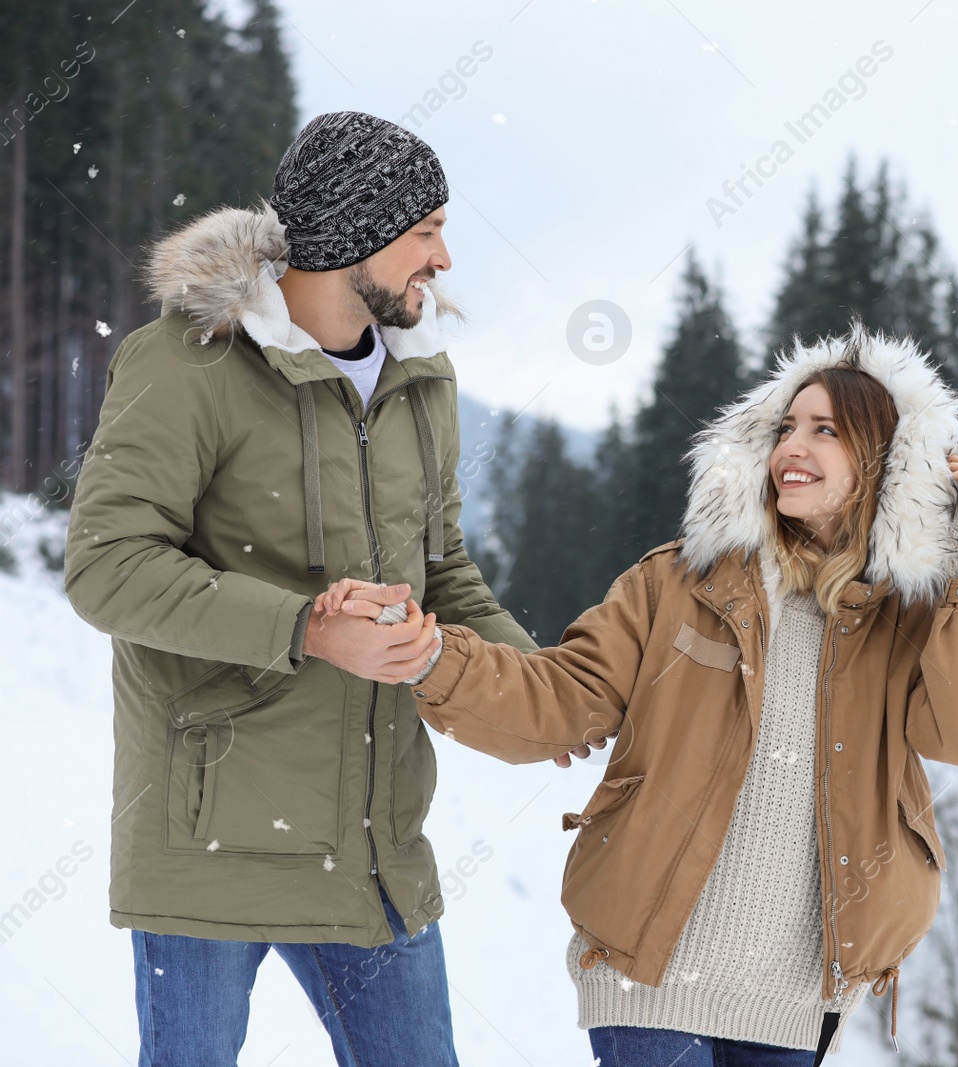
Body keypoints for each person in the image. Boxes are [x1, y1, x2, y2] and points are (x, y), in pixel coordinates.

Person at [317, 320, 958, 1065]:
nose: (793, 446)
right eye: (786, 426)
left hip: (795, 994)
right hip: (648, 970)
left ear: (890, 462)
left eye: (825, 430)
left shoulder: (912, 619)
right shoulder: (680, 581)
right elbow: (561, 698)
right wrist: (432, 655)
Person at [63, 110, 587, 1067]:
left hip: (373, 849)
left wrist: (539, 688)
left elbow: (445, 572)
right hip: (212, 840)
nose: (445, 257)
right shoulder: (187, 364)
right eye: (424, 230)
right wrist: (305, 626)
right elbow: (108, 565)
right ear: (353, 234)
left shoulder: (423, 378)